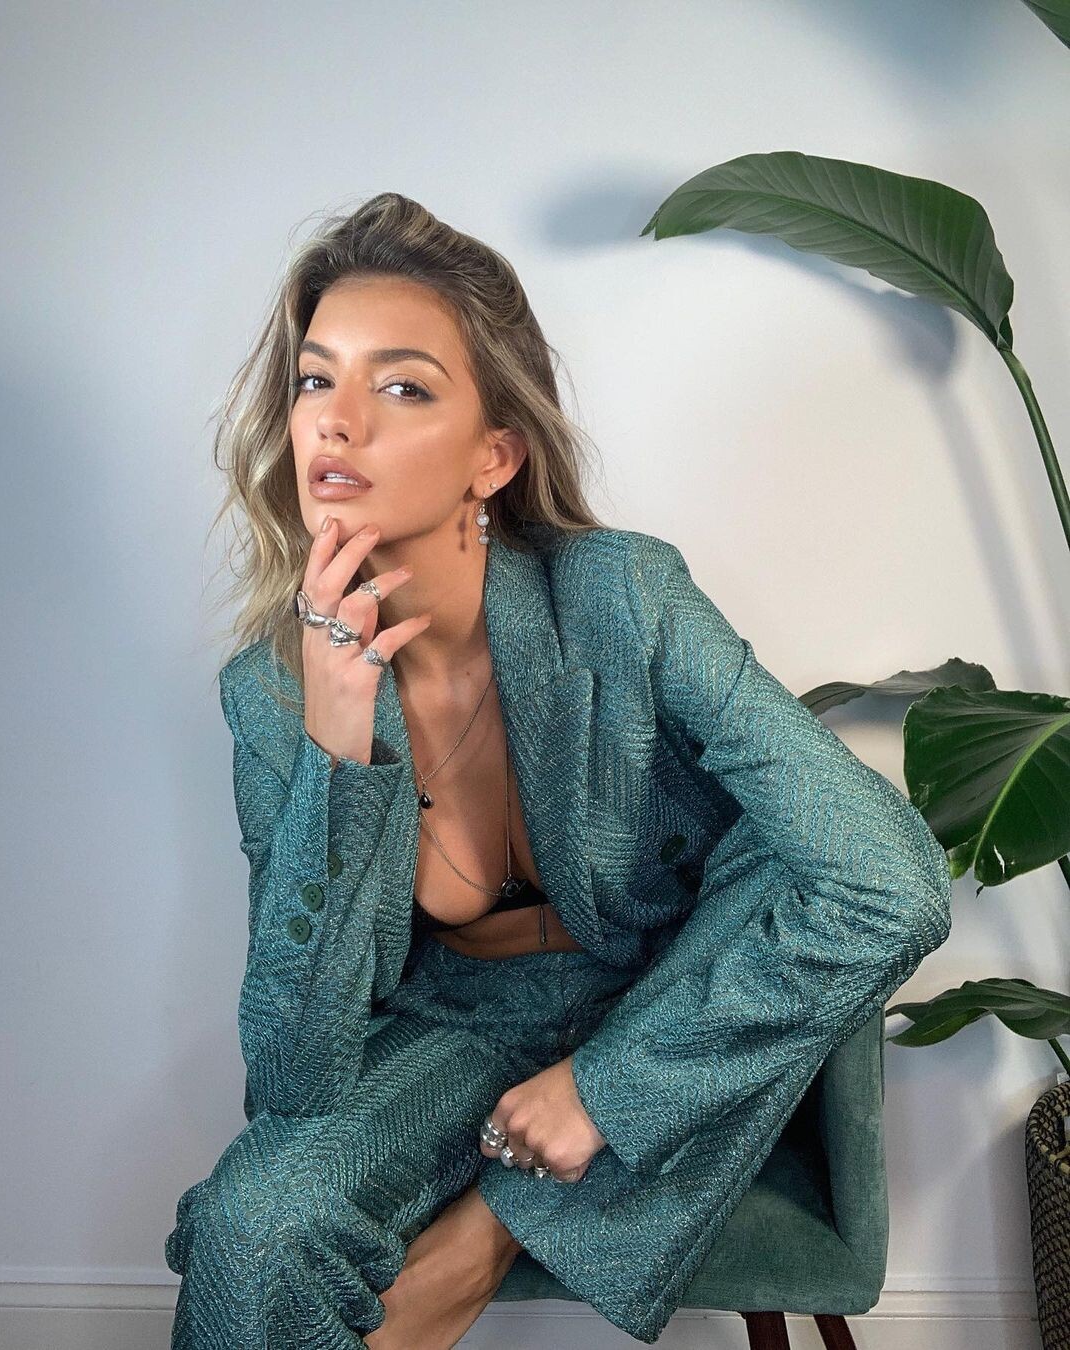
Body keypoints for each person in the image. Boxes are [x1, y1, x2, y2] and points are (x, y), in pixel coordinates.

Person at [164, 192, 953, 1348]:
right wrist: (339, 743)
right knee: (253, 1221)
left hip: (668, 993)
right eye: (315, 379)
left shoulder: (620, 597)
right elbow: (296, 1073)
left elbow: (891, 880)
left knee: (802, 859)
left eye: (402, 387)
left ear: (495, 455)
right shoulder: (272, 692)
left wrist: (605, 1091)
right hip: (450, 1032)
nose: (337, 422)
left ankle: (492, 1231)